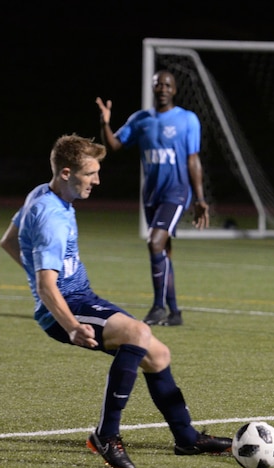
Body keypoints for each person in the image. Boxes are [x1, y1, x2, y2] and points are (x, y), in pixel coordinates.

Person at [0, 134, 230, 468]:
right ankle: (106, 436)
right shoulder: (51, 218)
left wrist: (43, 277)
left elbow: (8, 242)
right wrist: (72, 326)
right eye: (90, 173)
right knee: (137, 334)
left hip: (81, 299)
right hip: (67, 309)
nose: (97, 180)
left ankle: (187, 438)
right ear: (66, 173)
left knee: (158, 354)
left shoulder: (41, 192)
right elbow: (47, 285)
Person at [95, 70, 209, 327]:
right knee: (163, 252)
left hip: (177, 192)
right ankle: (175, 312)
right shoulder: (141, 119)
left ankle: (158, 307)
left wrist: (200, 198)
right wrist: (105, 124)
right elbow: (114, 146)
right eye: (158, 84)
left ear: (175, 90)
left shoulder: (187, 120)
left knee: (154, 242)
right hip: (152, 196)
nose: (163, 88)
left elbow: (193, 159)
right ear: (153, 87)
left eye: (167, 85)